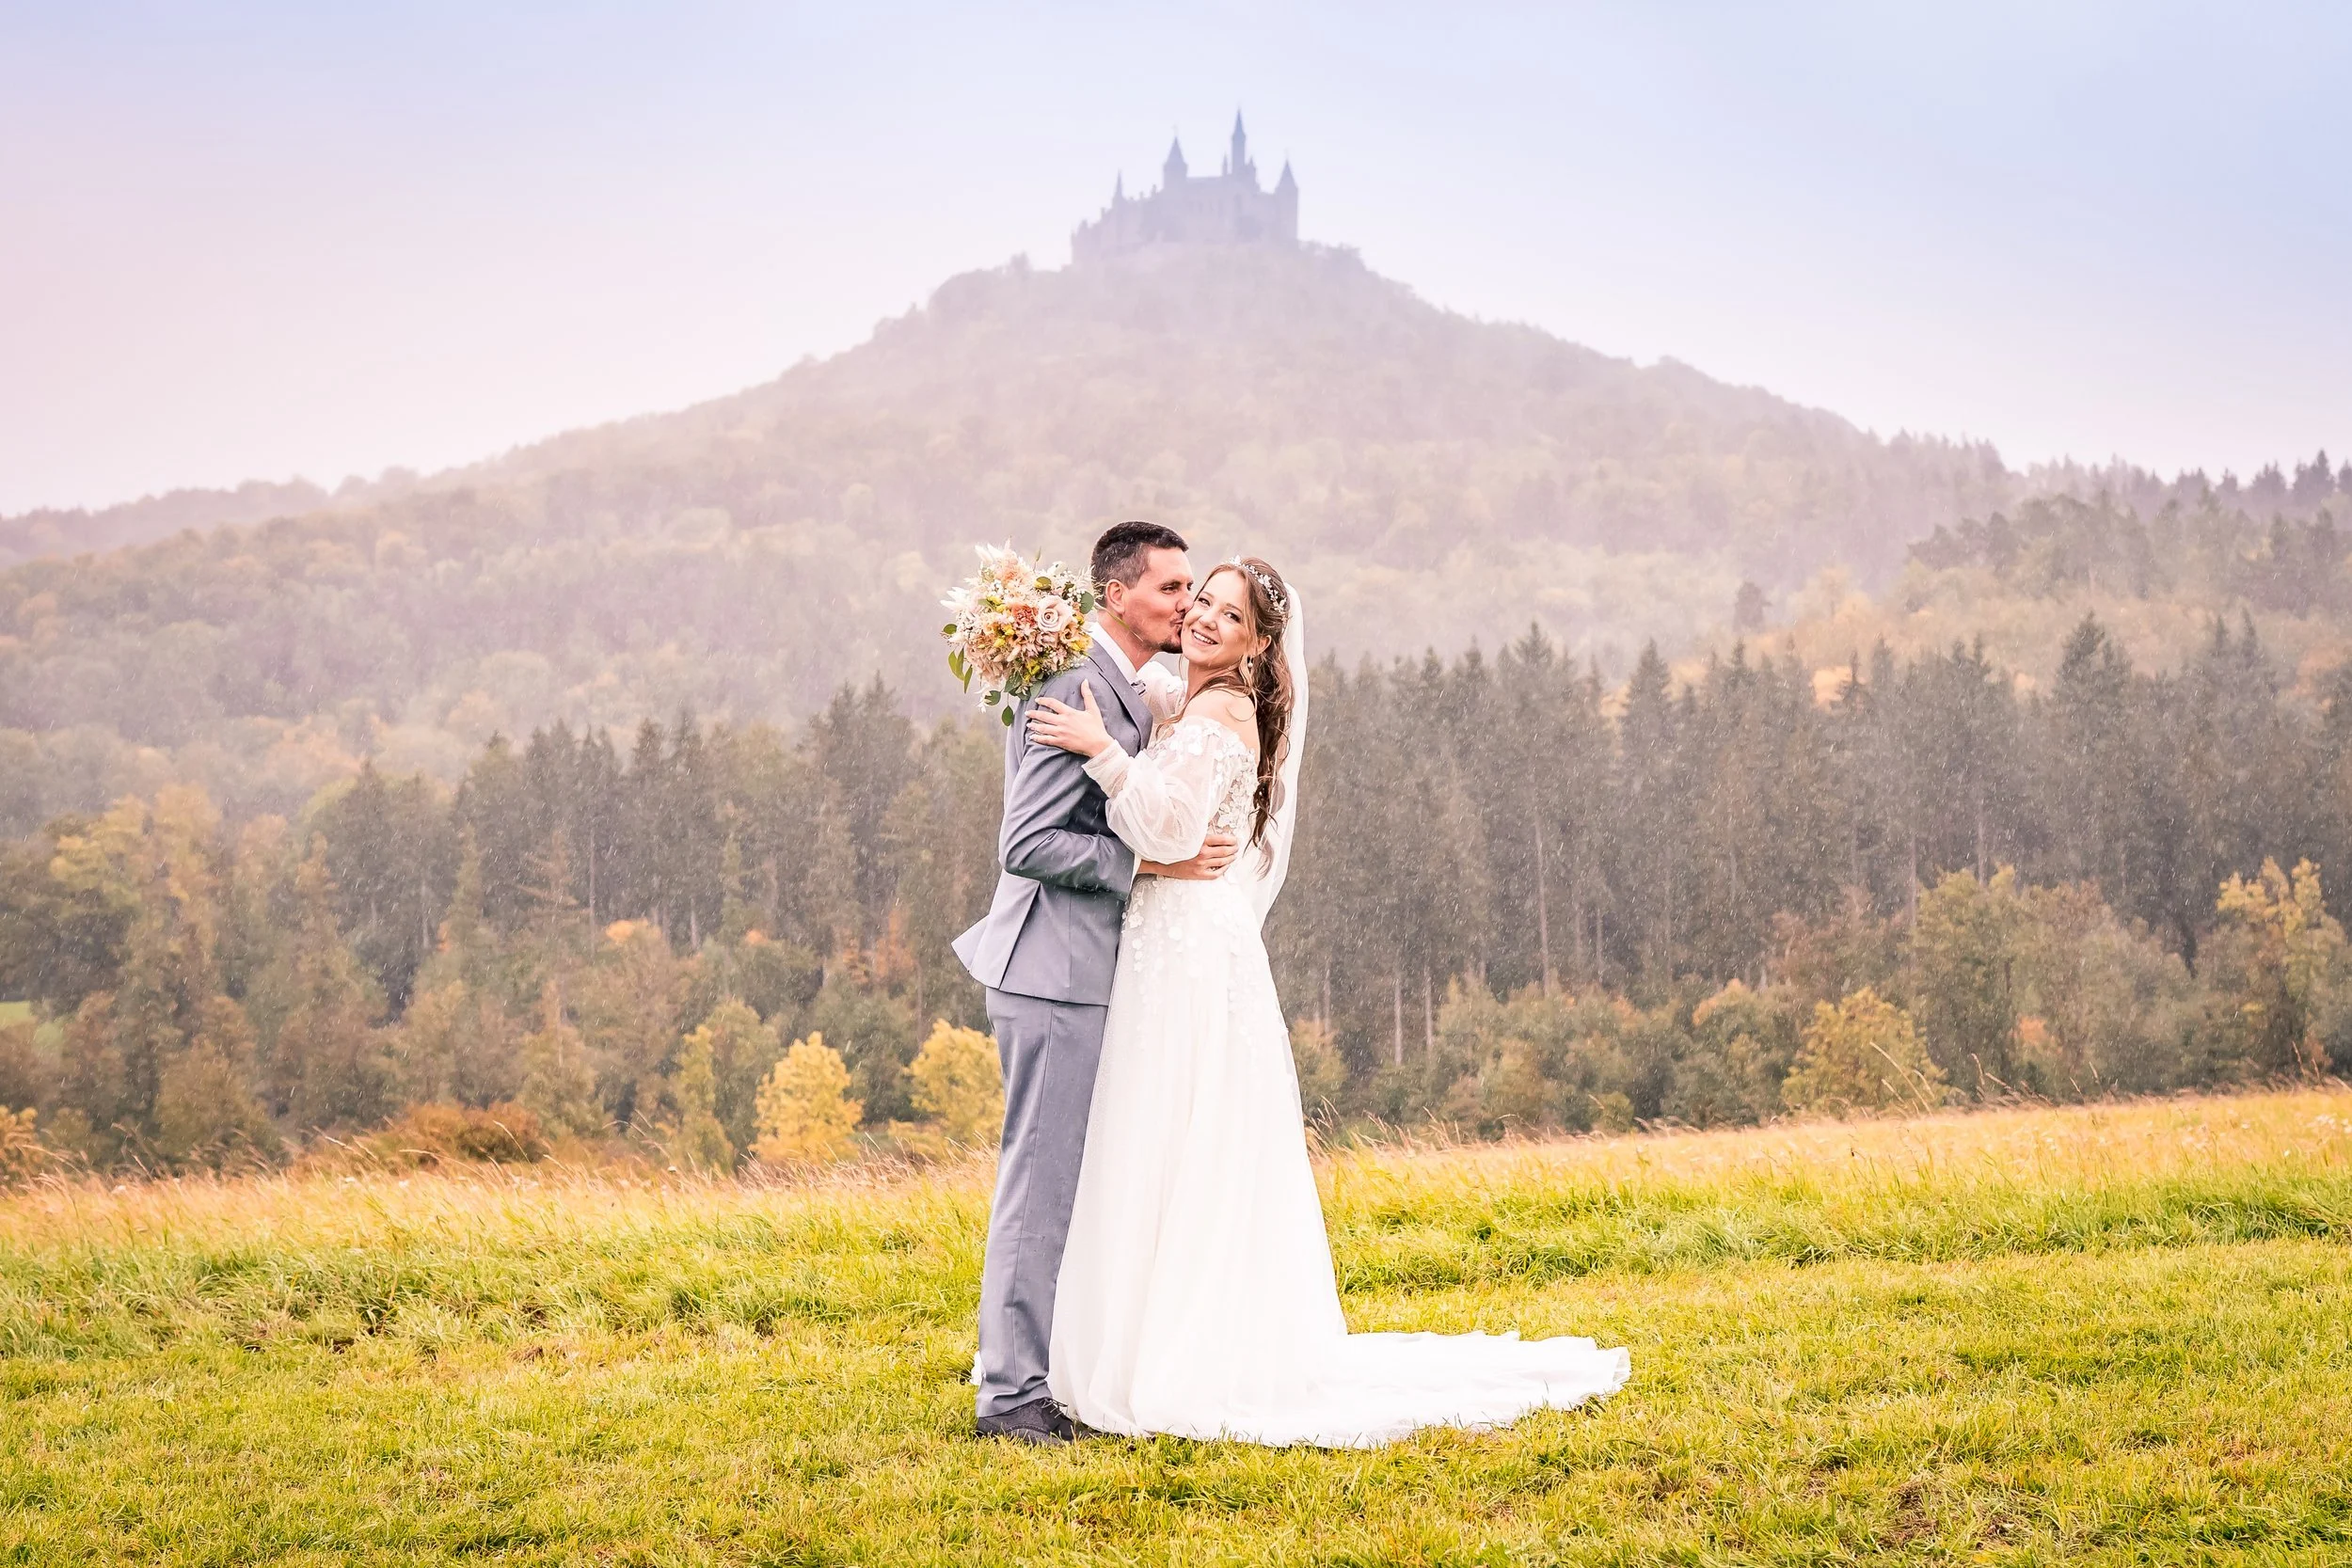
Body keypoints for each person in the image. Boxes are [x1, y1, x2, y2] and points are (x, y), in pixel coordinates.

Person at [1024, 555, 1630, 1447]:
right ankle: (1134, 1337)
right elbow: (1137, 689)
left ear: (1257, 645)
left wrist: (1103, 753)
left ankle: (1178, 1356)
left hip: (1190, 947)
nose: (1205, 619)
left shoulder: (1224, 712)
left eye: (1230, 617)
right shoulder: (1188, 696)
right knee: (1154, 1130)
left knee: (1180, 1131)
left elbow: (1167, 827)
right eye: (1203, 601)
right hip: (1170, 937)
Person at [951, 520, 1239, 1445]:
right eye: (1171, 588)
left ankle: (1051, 1369)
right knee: (1039, 1185)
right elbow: (1027, 842)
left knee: (1069, 1182)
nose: (1187, 604)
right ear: (1116, 595)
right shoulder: (1074, 686)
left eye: (1193, 589)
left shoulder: (1125, 688)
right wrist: (1148, 866)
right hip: (1051, 970)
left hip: (1083, 969)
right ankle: (1010, 1398)